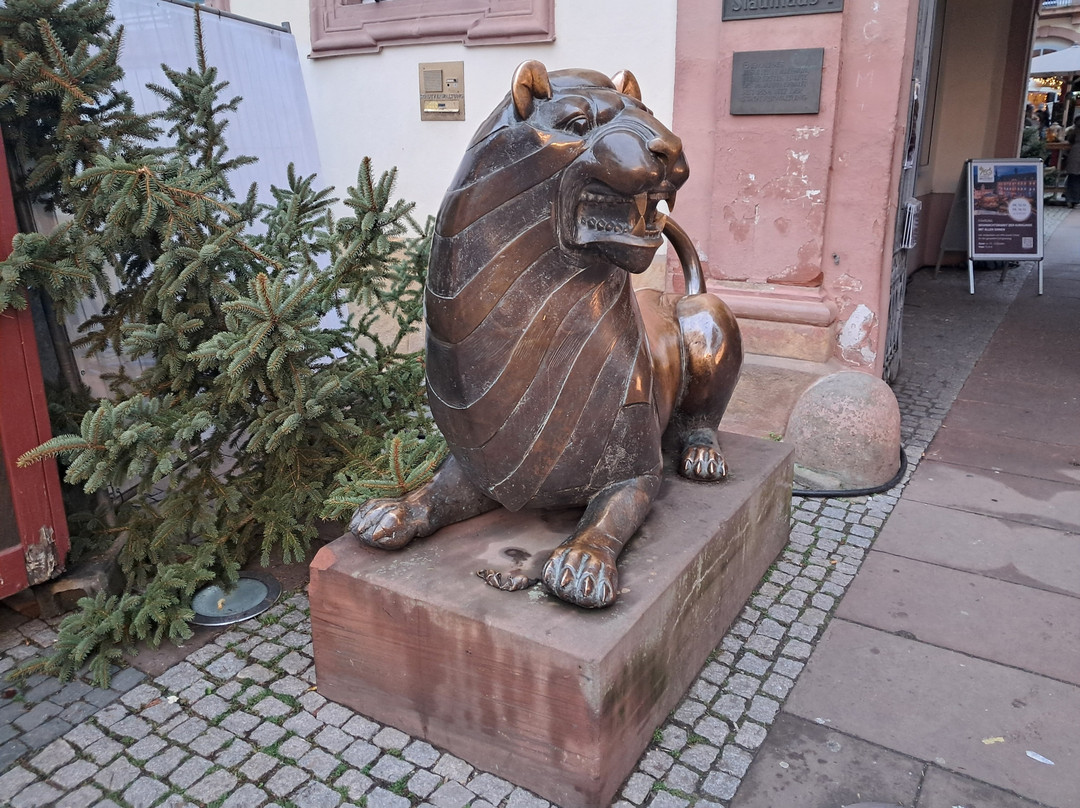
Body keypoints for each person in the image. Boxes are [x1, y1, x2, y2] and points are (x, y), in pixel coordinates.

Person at [1063, 115, 1080, 207]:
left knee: (1072, 177)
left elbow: (1070, 140)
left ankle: (1070, 199)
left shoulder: (1075, 130)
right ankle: (1077, 198)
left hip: (1075, 152)